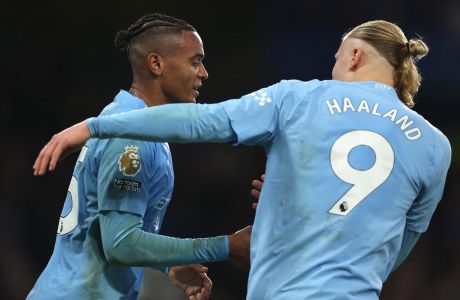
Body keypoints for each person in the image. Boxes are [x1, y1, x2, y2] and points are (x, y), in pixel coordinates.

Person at [34, 20, 452, 299]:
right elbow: (395, 246)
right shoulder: (435, 145)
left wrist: (94, 125)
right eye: (195, 61)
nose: (204, 73)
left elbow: (203, 122)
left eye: (337, 59)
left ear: (355, 56)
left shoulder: (298, 97)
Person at [28, 13, 252, 300]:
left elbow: (118, 230)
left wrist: (167, 261)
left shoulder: (138, 125)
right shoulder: (131, 137)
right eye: (194, 61)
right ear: (156, 64)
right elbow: (120, 243)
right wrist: (226, 246)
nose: (204, 72)